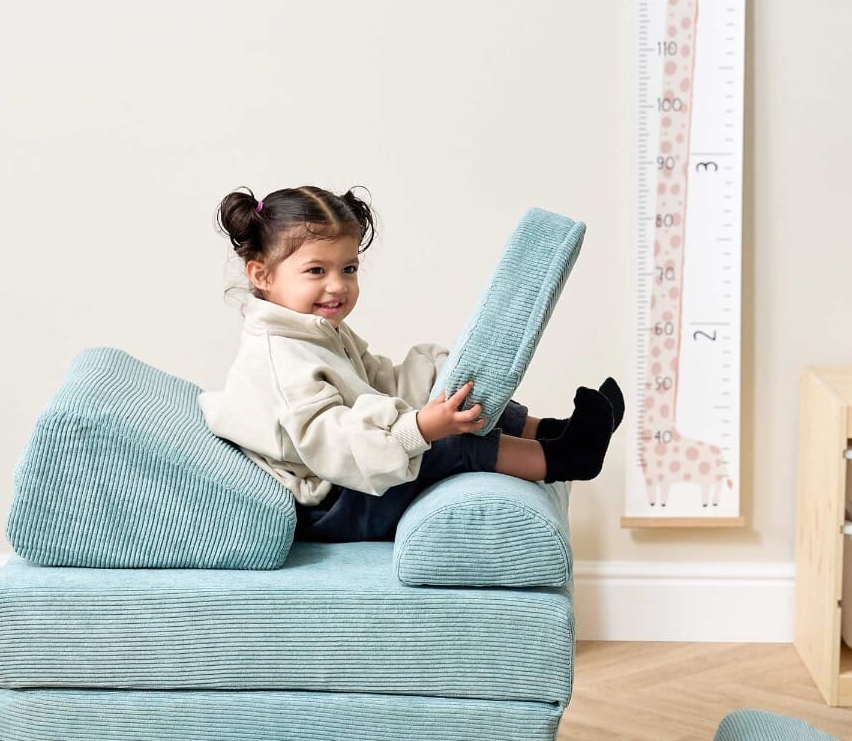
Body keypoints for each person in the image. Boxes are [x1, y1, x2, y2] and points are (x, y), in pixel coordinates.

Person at [199, 184, 624, 543]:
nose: (337, 285)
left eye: (348, 268)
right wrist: (418, 430)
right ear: (262, 275)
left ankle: (549, 431)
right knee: (451, 443)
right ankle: (568, 457)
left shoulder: (314, 330)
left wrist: (441, 381)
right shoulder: (281, 359)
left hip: (351, 473)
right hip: (334, 501)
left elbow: (377, 379)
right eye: (316, 270)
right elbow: (336, 445)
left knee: (452, 393)